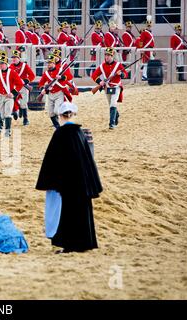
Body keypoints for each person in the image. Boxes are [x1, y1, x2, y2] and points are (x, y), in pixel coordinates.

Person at [35, 101, 102, 253]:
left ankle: (69, 245)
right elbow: (87, 160)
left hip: (65, 185)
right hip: (81, 184)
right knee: (81, 213)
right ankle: (84, 244)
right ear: (74, 115)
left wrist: (50, 181)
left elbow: (52, 160)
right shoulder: (79, 133)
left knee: (66, 214)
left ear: (60, 116)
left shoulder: (60, 133)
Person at [91, 47, 128, 129]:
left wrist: (120, 74)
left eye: (109, 55)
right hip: (107, 87)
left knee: (113, 103)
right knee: (110, 104)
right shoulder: (102, 66)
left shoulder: (118, 65)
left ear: (112, 56)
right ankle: (116, 115)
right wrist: (100, 82)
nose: (107, 57)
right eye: (106, 55)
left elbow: (125, 74)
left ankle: (111, 123)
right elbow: (94, 75)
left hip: (116, 86)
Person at [0, 51, 24, 137]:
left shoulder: (12, 72)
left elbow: (20, 84)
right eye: (0, 64)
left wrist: (13, 93)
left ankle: (7, 131)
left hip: (9, 96)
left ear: (6, 64)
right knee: (1, 115)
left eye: (2, 64)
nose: (1, 65)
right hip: (2, 96)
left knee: (7, 113)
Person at [37, 53, 73, 129]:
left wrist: (61, 77)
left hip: (59, 93)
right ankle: (57, 127)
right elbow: (40, 83)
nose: (48, 65)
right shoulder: (46, 73)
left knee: (57, 111)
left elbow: (70, 76)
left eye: (50, 63)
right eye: (48, 63)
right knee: (51, 113)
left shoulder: (60, 70)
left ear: (54, 63)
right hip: (50, 95)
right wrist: (42, 89)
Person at [10, 50, 35, 126]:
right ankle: (15, 111)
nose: (14, 59)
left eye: (16, 57)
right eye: (13, 57)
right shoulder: (10, 67)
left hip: (23, 87)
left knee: (24, 103)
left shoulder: (24, 66)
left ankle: (25, 119)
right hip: (15, 87)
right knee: (13, 100)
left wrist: (25, 81)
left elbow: (32, 75)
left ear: (19, 58)